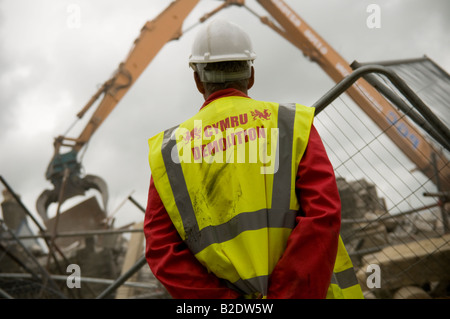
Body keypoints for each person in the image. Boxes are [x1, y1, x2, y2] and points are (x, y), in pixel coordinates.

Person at [143, 19, 363, 299]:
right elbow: (323, 214)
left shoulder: (170, 151)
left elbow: (162, 249)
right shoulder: (291, 124)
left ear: (198, 80)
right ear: (251, 75)